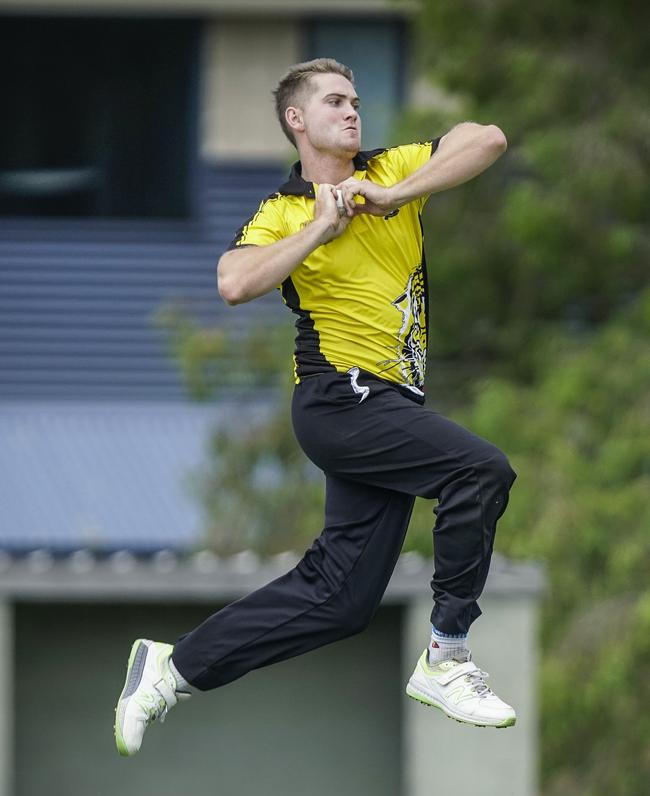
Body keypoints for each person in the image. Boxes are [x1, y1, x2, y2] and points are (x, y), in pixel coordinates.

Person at [115, 58, 517, 757]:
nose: (352, 111)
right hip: (340, 398)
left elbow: (485, 137)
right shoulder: (285, 211)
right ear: (296, 120)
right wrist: (318, 232)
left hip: (389, 403)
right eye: (334, 101)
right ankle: (448, 654)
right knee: (479, 470)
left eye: (356, 100)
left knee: (340, 599)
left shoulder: (391, 172)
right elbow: (233, 282)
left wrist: (398, 195)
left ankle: (172, 667)